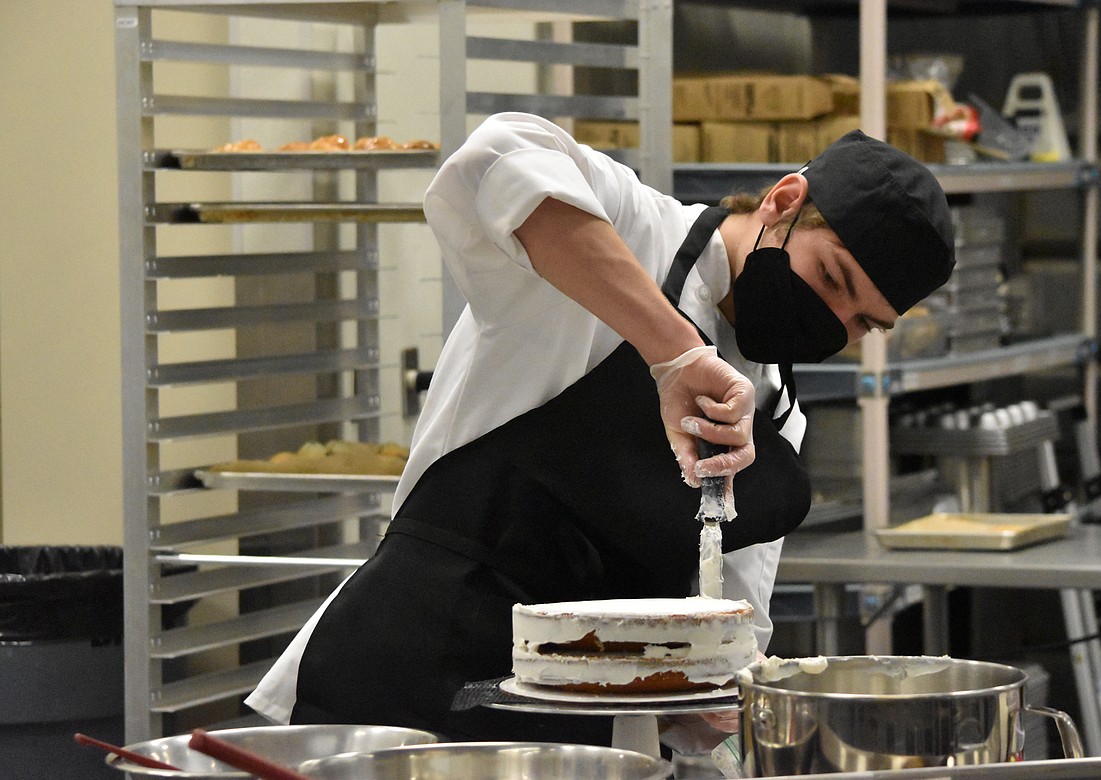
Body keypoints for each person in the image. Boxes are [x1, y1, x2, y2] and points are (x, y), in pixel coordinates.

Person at [245, 112, 955, 747]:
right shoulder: (629, 226)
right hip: (406, 675)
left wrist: (709, 702)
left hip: (581, 738)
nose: (833, 322)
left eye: (862, 322)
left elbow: (730, 619)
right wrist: (672, 352)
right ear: (784, 201)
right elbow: (496, 157)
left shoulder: (772, 415)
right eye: (831, 278)